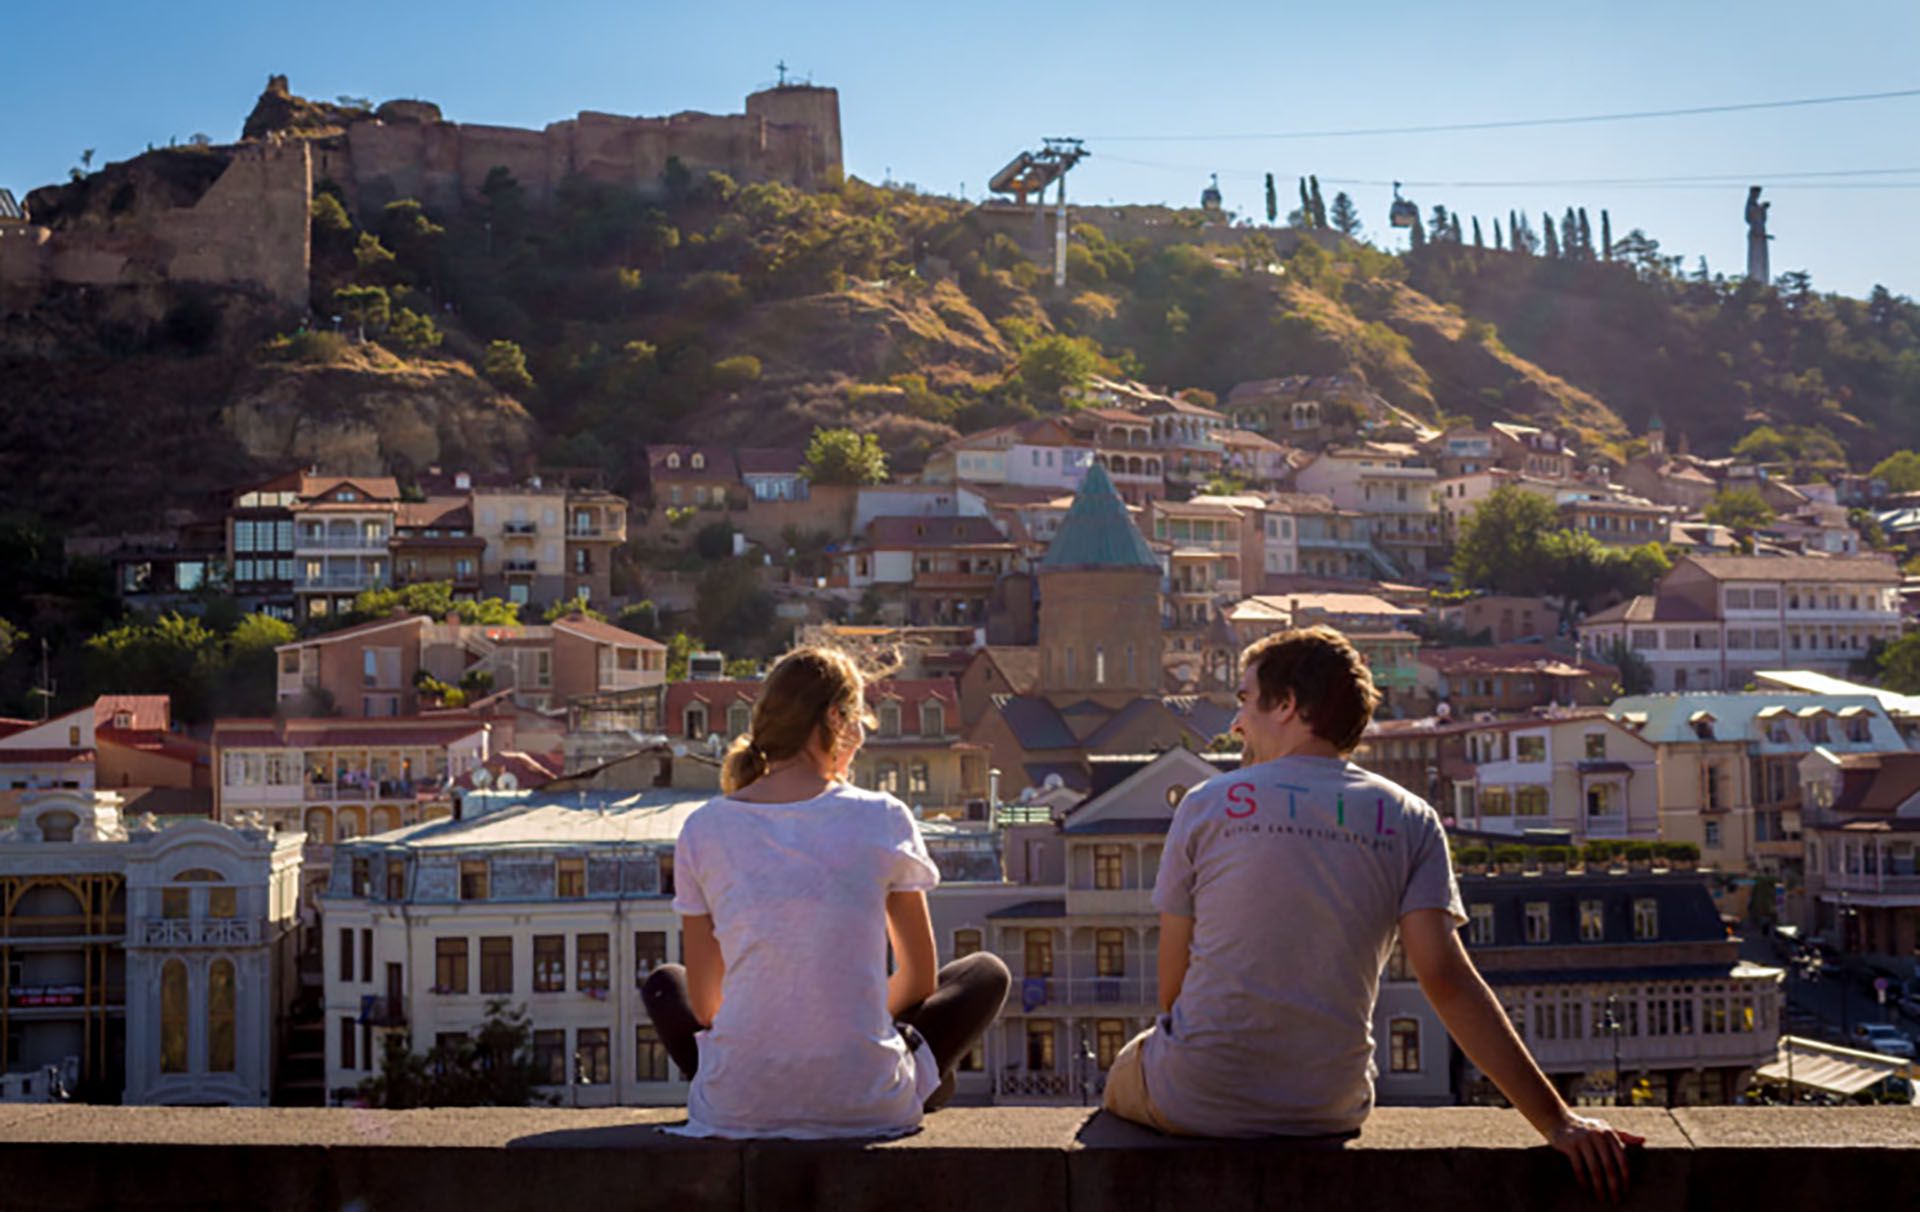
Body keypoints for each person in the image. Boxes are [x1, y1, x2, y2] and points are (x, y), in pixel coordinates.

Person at [1103, 627, 1640, 1200]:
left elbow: (1171, 993)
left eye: (1244, 699)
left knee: (1125, 1070)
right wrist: (1558, 1121)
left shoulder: (1206, 804)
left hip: (1199, 1098)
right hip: (1329, 1108)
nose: (1236, 723)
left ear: (1286, 705)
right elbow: (1447, 980)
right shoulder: (1411, 817)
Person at [642, 646, 1010, 1138]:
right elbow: (919, 978)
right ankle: (908, 1070)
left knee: (669, 982)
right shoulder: (882, 816)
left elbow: (708, 1007)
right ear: (835, 719)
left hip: (734, 1110)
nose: (860, 735)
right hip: (866, 1104)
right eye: (857, 720)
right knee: (984, 972)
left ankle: (745, 1084)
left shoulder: (704, 828)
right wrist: (843, 1019)